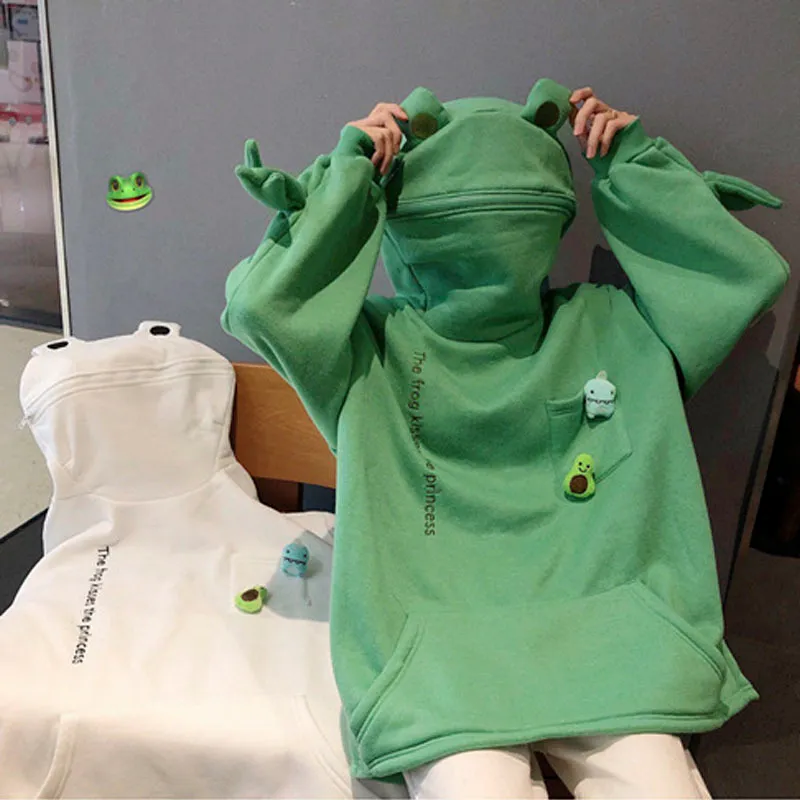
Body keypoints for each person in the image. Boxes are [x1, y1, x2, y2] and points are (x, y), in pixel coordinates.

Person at [222, 81, 789, 798]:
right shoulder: (369, 353)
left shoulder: (613, 328)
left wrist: (635, 167)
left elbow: (746, 279)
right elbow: (261, 308)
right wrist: (349, 178)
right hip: (443, 653)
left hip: (611, 641)